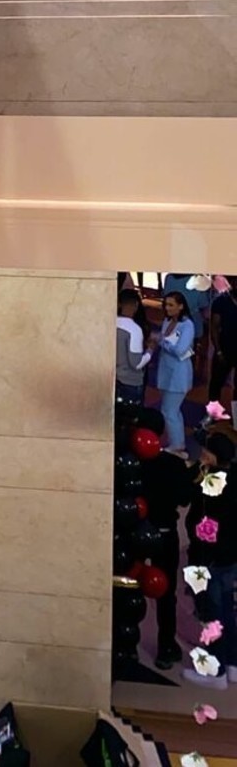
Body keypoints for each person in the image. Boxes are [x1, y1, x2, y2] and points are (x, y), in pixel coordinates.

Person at [134, 407, 194, 669]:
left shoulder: (130, 465)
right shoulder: (174, 465)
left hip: (134, 533)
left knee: (128, 585)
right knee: (166, 594)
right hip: (165, 534)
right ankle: (166, 648)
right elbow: (184, 498)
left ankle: (127, 645)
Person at [182, 430, 237, 689]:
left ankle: (215, 672)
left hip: (208, 557)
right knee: (227, 609)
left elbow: (187, 496)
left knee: (210, 613)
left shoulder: (210, 483)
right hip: (229, 556)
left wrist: (198, 469)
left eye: (206, 450)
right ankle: (233, 663)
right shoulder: (234, 477)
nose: (202, 453)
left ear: (213, 456)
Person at [152, 290, 196, 457]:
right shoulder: (167, 321)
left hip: (178, 375)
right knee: (173, 410)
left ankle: (177, 445)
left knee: (169, 411)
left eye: (171, 305)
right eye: (166, 304)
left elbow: (180, 350)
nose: (167, 308)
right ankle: (178, 442)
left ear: (181, 306)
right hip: (165, 371)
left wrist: (160, 340)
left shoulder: (188, 325)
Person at [116, 288, 148, 403]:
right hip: (130, 381)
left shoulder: (111, 322)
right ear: (136, 305)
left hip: (114, 378)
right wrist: (150, 351)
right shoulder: (134, 329)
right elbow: (136, 363)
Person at [209, 277, 237, 405]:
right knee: (216, 383)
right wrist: (219, 351)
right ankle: (213, 413)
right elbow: (214, 327)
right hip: (224, 350)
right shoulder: (220, 301)